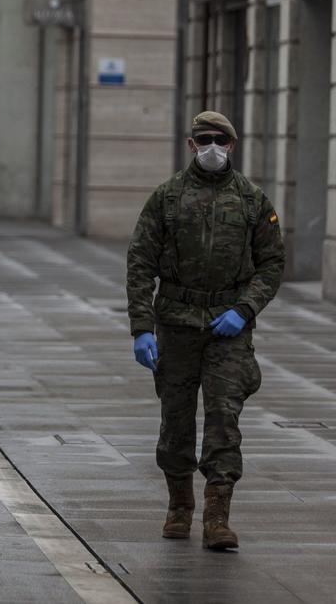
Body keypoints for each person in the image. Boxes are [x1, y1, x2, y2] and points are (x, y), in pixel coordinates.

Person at [126, 110, 284, 550]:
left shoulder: (252, 201)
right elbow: (140, 263)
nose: (212, 146)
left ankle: (218, 518)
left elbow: (272, 264)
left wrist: (245, 309)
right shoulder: (167, 198)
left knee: (223, 419)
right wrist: (142, 328)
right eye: (204, 139)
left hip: (227, 329)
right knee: (176, 419)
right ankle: (179, 508)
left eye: (220, 139)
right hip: (176, 325)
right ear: (191, 145)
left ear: (232, 145)